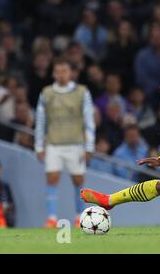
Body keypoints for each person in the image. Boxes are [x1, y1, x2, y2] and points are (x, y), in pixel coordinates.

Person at [35, 59, 95, 228]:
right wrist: (39, 146)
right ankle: (52, 218)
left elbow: (89, 120)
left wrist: (89, 146)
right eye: (58, 71)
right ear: (53, 73)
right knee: (52, 178)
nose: (61, 74)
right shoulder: (46, 93)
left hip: (76, 144)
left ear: (71, 73)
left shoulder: (82, 92)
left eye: (65, 71)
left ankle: (78, 218)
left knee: (78, 180)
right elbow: (41, 121)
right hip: (54, 144)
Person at [0, 158, 15, 229]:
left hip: (2, 223)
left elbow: (12, 206)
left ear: (0, 169)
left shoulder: (4, 186)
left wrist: (6, 208)